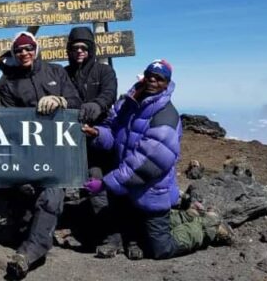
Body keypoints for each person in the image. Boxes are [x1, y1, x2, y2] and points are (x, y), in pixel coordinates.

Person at [82, 60, 233, 260]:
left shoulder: (166, 116)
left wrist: (104, 183)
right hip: (128, 190)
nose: (153, 80)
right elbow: (115, 133)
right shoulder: (129, 104)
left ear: (167, 83)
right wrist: (97, 134)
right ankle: (187, 215)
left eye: (159, 78)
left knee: (160, 249)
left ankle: (209, 226)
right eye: (149, 75)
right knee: (136, 233)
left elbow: (146, 164)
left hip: (151, 192)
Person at [0, 31, 82, 279]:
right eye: (19, 50)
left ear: (36, 49)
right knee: (24, 191)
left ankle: (28, 254)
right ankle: (31, 235)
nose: (24, 53)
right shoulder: (10, 83)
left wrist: (61, 100)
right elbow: (10, 122)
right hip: (29, 152)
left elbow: (76, 100)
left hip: (58, 150)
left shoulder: (56, 72)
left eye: (28, 48)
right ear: (14, 54)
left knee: (52, 193)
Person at [63, 27, 118, 251]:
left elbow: (109, 93)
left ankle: (111, 238)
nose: (79, 51)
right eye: (75, 47)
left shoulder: (104, 71)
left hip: (100, 137)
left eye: (84, 47)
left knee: (98, 183)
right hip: (72, 137)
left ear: (91, 49)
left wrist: (97, 105)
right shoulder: (64, 73)